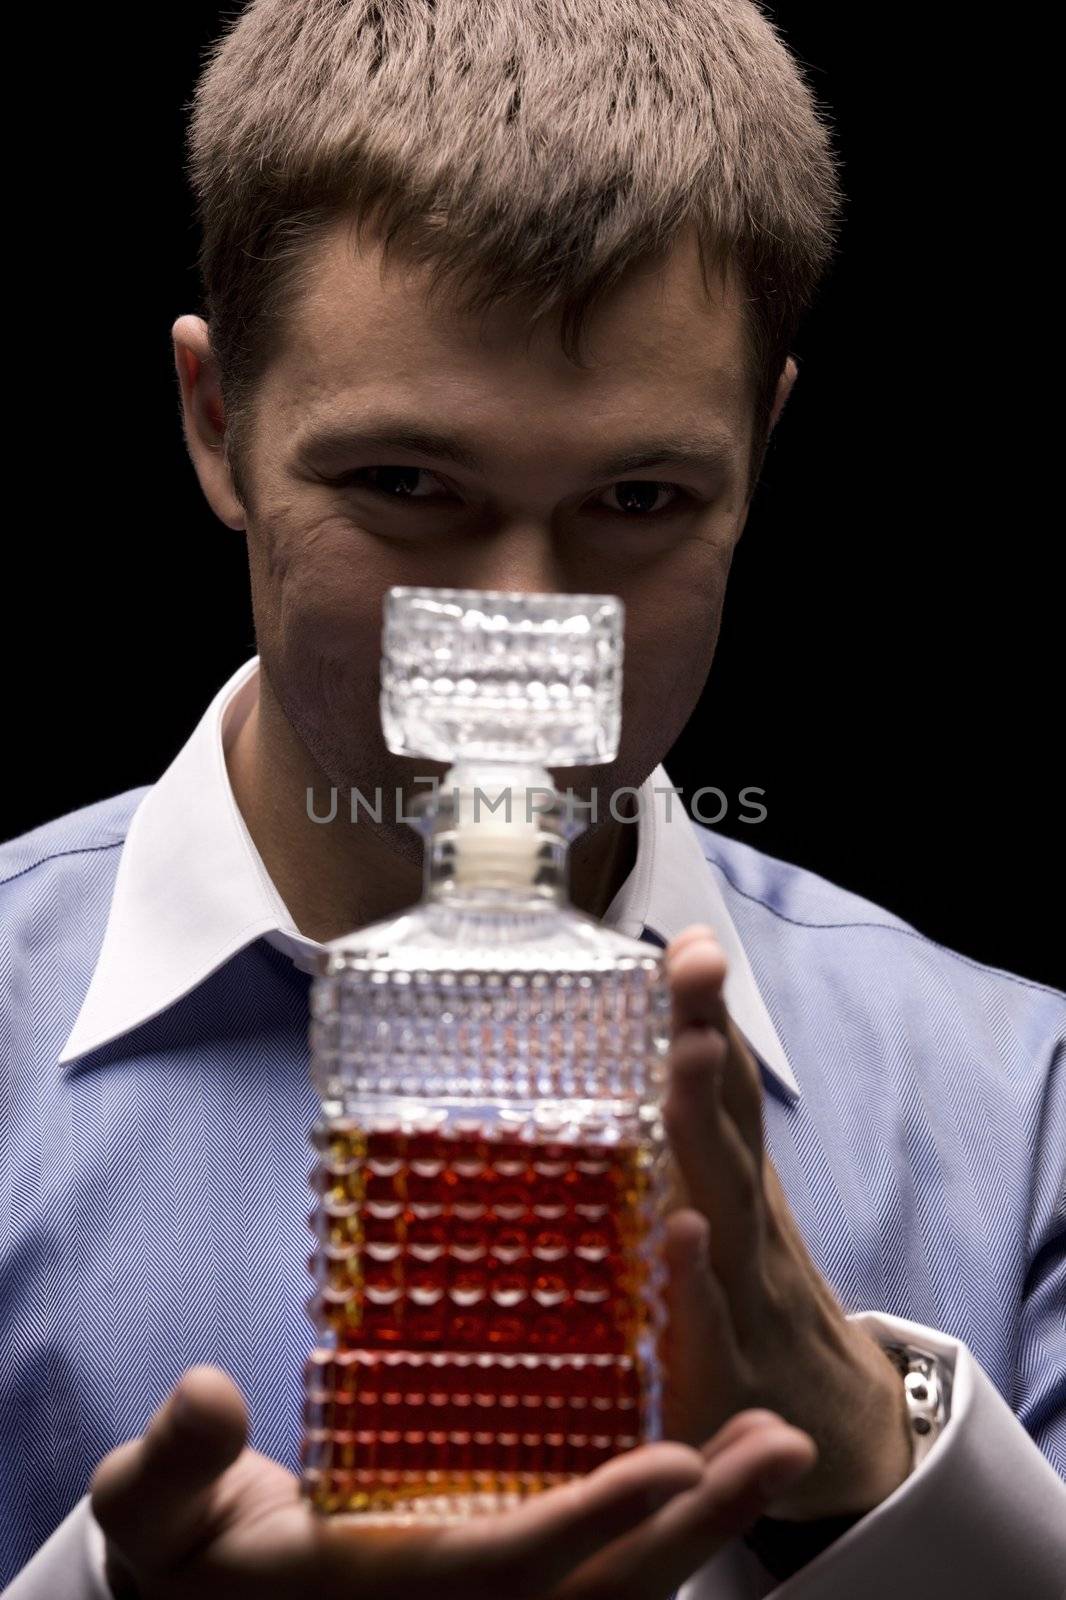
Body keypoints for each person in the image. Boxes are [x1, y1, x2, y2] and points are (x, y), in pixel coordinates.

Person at [3, 1, 1064, 1596]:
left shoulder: (1024, 1108)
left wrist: (872, 1456)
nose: (523, 623)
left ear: (757, 454)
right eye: (408, 488)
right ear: (218, 422)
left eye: (636, 501)